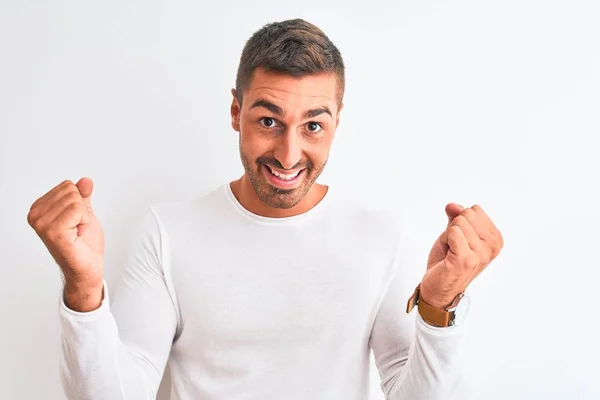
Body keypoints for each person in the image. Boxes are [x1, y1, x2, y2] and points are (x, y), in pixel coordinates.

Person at [27, 18, 503, 400]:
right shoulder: (168, 231)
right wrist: (84, 288)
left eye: (313, 126)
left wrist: (439, 307)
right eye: (269, 120)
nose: (289, 154)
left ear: (337, 122)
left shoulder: (383, 236)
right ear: (236, 112)